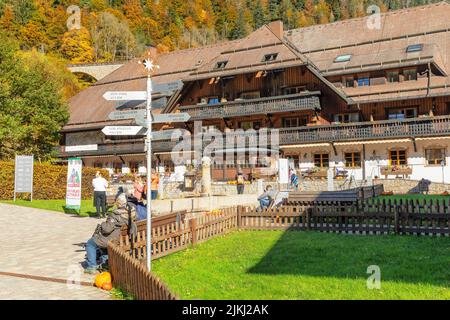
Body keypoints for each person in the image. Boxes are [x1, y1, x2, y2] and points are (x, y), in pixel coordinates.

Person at [83, 194, 136, 274]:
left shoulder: (116, 215)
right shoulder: (131, 213)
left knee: (90, 243)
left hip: (111, 239)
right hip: (120, 239)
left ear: (118, 203)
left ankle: (91, 267)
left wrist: (103, 224)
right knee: (104, 246)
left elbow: (107, 230)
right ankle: (105, 264)